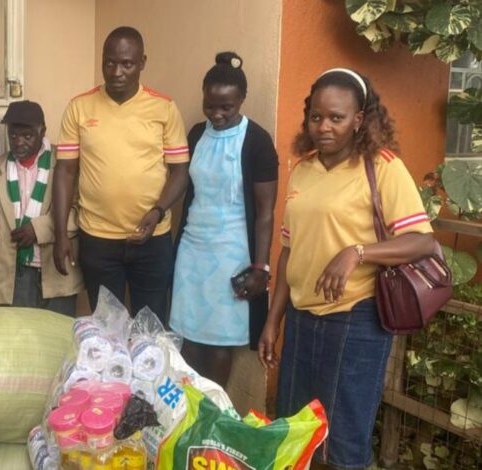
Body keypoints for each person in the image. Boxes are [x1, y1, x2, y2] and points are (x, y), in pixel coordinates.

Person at [258, 69, 435, 469]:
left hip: (355, 322)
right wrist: (273, 320)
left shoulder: (382, 167)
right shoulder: (303, 169)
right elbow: (289, 251)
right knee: (295, 434)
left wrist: (357, 252)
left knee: (343, 443)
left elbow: (423, 242)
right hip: (302, 319)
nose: (324, 127)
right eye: (316, 117)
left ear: (358, 119)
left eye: (336, 118)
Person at [53, 26, 189, 322]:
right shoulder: (80, 107)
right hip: (97, 239)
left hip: (152, 238)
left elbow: (180, 172)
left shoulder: (164, 108)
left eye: (127, 64)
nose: (117, 72)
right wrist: (60, 234)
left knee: (150, 327)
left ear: (142, 62)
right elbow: (65, 171)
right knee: (106, 329)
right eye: (109, 63)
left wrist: (158, 211)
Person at [170, 52, 278, 388]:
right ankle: (189, 405)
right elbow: (183, 185)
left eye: (226, 107)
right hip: (192, 250)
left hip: (232, 253)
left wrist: (260, 267)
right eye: (210, 105)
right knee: (187, 335)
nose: (216, 114)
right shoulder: (196, 134)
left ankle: (212, 408)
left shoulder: (257, 141)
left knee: (218, 342)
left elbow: (265, 212)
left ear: (242, 99)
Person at [0, 100, 83, 316]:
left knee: (57, 330)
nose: (18, 142)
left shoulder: (64, 163)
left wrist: (38, 229)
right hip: (15, 271)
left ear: (43, 131)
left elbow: (80, 212)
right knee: (19, 331)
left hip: (56, 267)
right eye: (13, 135)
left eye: (27, 136)